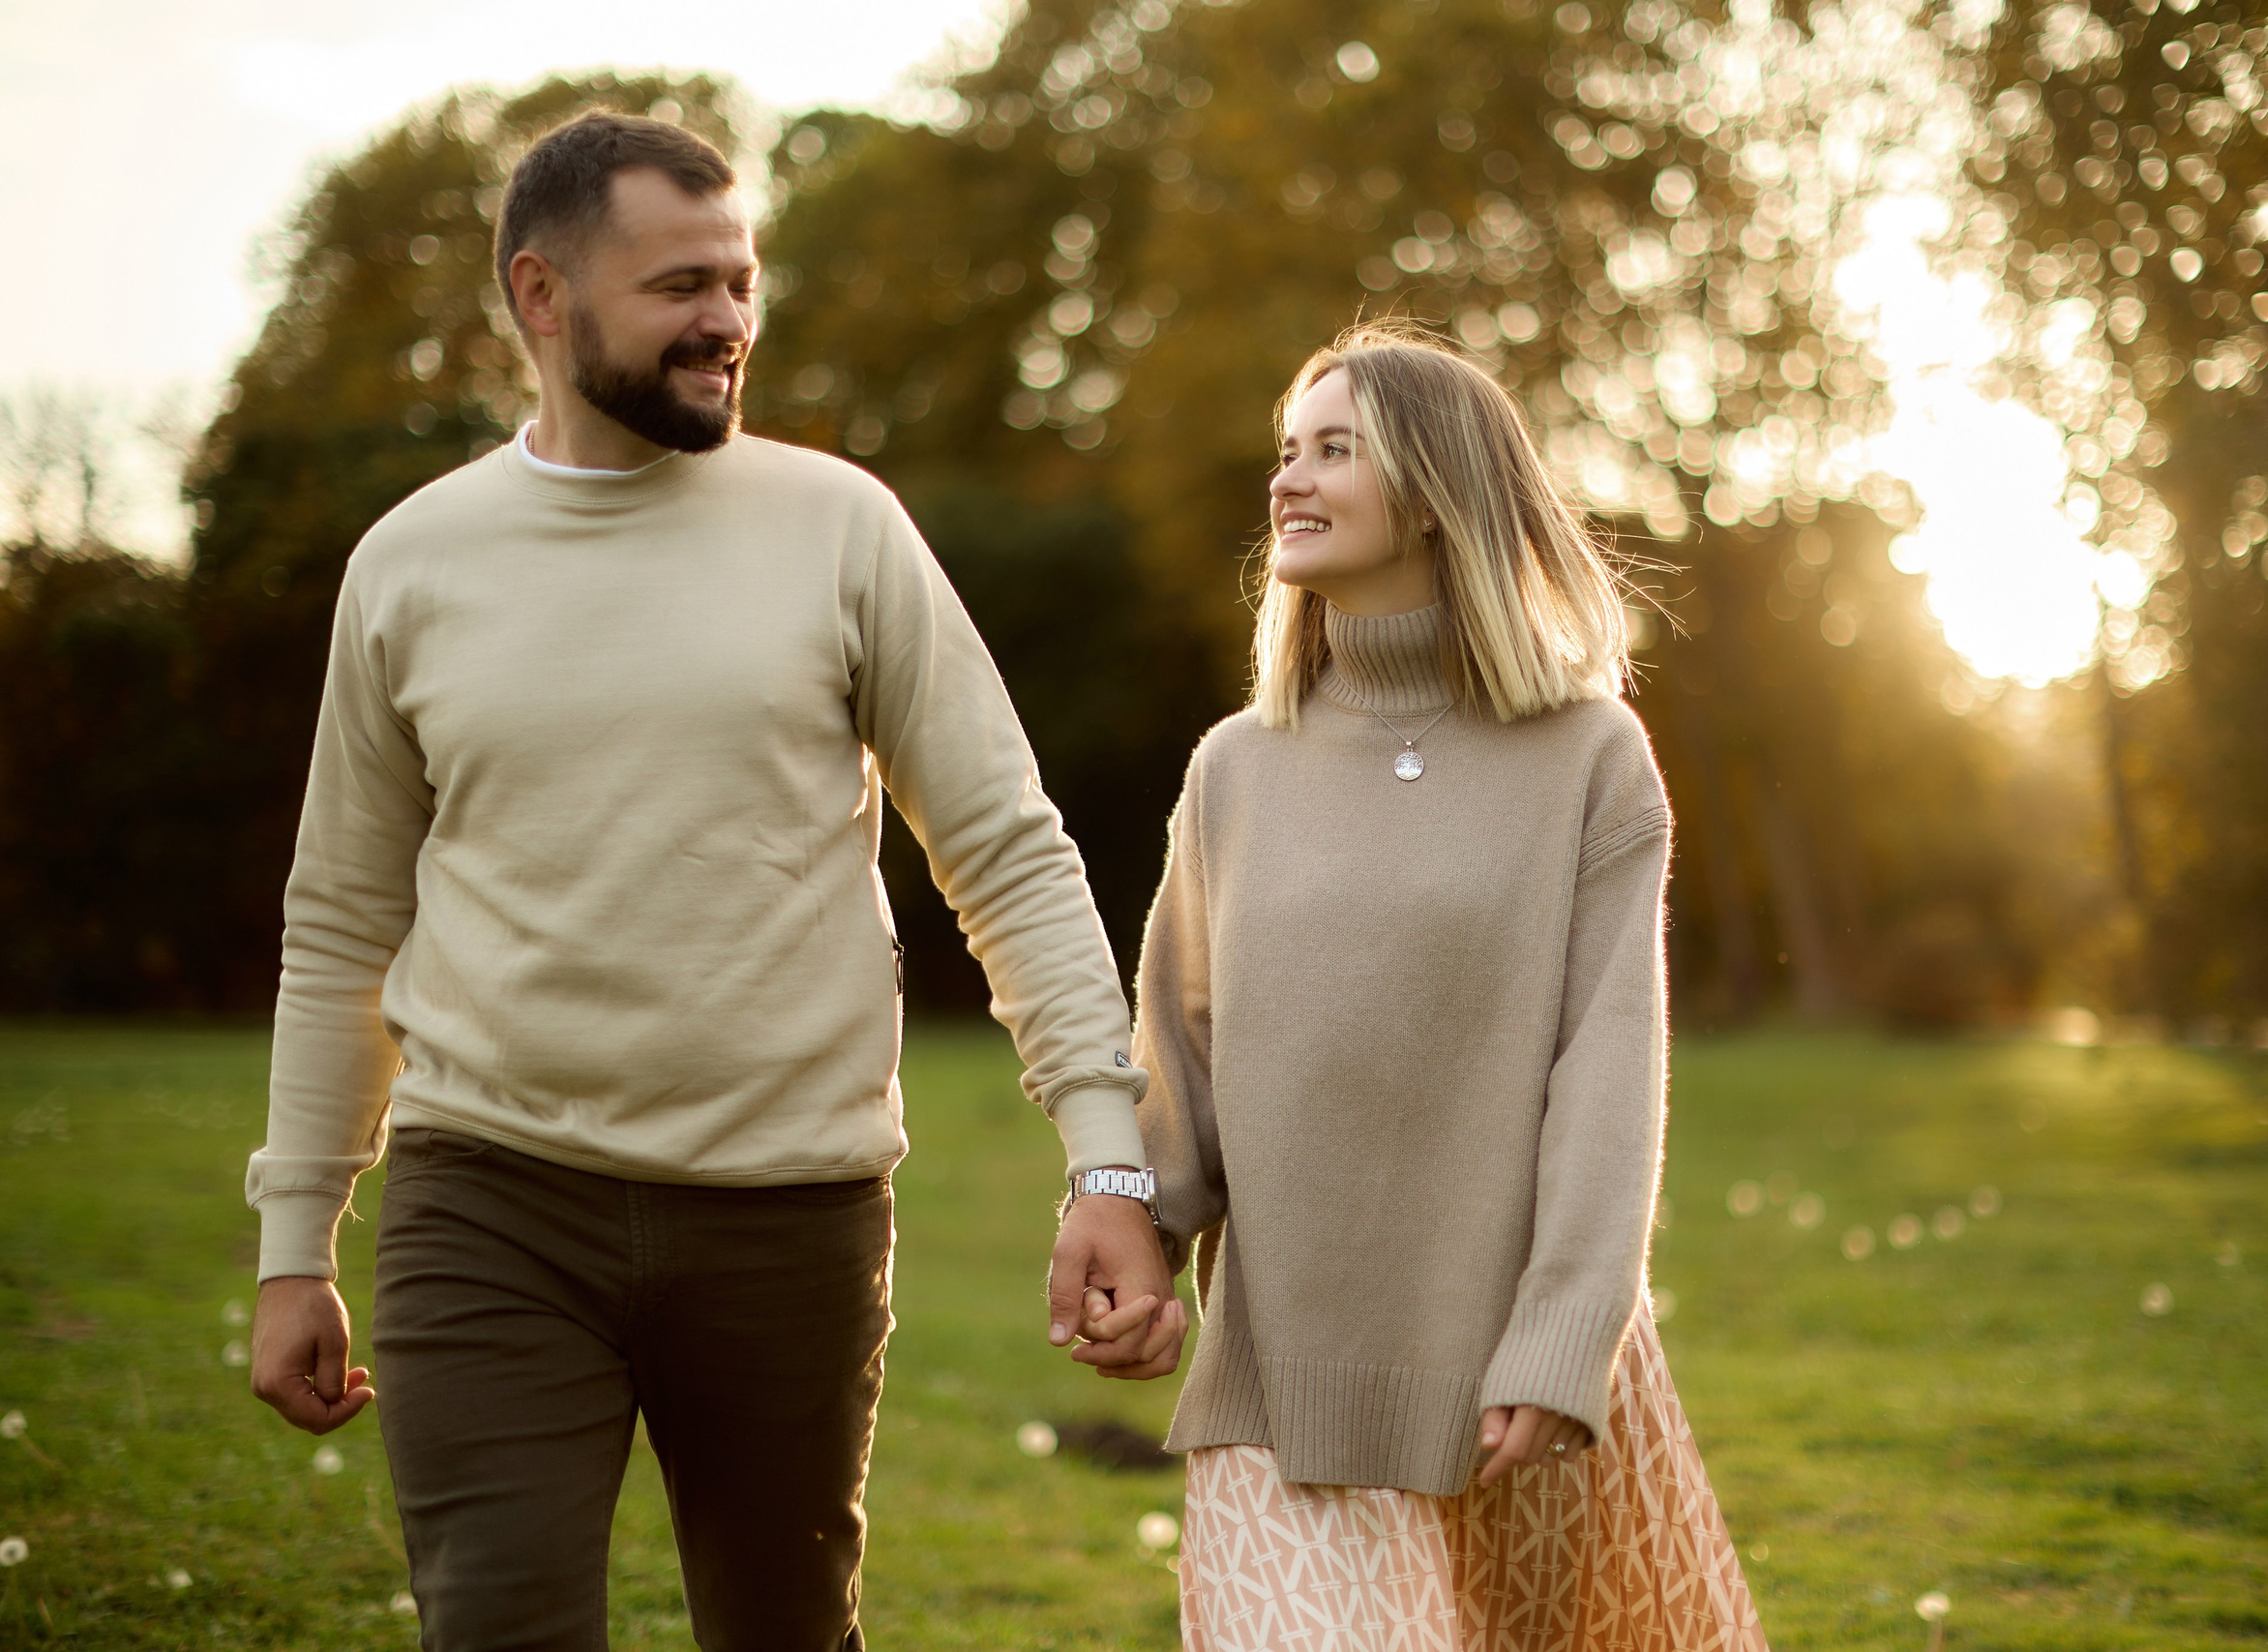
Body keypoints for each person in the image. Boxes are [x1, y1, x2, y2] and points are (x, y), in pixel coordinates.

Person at [242, 110, 1180, 1651]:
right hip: (490, 1203)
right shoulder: (411, 565)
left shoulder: (842, 530)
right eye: (680, 285)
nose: (728, 321)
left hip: (788, 1218)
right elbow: (345, 919)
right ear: (542, 296)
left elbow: (1006, 849)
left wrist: (1107, 1163)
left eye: (741, 281)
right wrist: (297, 1242)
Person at [1122, 323, 1769, 1649]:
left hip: (1507, 1376)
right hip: (1282, 1381)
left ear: (1432, 492)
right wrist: (1136, 1227)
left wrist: (1564, 1336)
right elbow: (1180, 1050)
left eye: (1334, 450)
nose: (1288, 480)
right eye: (1286, 452)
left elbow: (1609, 1066)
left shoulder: (1589, 758)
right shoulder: (1235, 767)